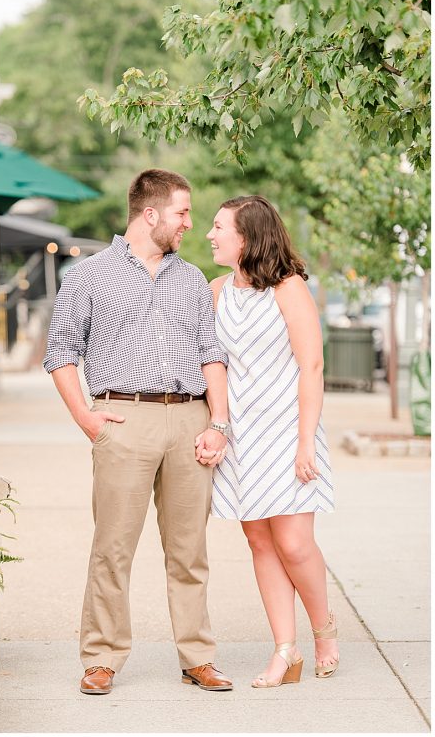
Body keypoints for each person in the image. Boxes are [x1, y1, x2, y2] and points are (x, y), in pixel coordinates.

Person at [43, 168, 233, 696]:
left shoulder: (191, 278)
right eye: (181, 213)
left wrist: (218, 423)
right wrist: (86, 417)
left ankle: (198, 656)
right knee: (113, 548)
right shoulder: (88, 276)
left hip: (190, 420)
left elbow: (210, 353)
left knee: (189, 550)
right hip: (123, 419)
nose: (189, 224)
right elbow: (60, 353)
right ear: (150, 214)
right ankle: (101, 657)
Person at [205, 195, 338, 687]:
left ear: (248, 235)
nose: (210, 235)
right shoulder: (216, 290)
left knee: (295, 542)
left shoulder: (289, 288)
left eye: (219, 227)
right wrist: (215, 428)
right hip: (240, 436)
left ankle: (324, 632)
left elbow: (312, 366)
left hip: (287, 431)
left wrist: (307, 442)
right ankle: (285, 650)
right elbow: (211, 364)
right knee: (259, 539)